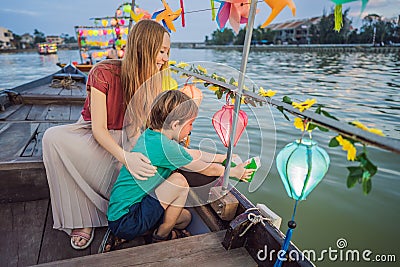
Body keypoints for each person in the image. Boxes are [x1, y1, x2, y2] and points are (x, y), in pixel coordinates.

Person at [42, 20, 170, 250]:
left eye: (168, 52)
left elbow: (140, 127)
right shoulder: (103, 71)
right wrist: (126, 158)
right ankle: (82, 219)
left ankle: (122, 211)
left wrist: (136, 152)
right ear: (144, 47)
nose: (166, 58)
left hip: (126, 136)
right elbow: (98, 129)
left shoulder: (155, 80)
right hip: (94, 134)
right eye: (162, 51)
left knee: (141, 161)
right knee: (52, 138)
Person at [107, 90, 254, 244]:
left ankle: (144, 232)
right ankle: (160, 237)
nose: (191, 129)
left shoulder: (151, 135)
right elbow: (206, 169)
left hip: (122, 214)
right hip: (126, 218)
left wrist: (221, 157)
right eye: (190, 124)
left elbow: (192, 153)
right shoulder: (166, 148)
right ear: (176, 124)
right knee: (179, 181)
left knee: (185, 219)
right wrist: (234, 172)